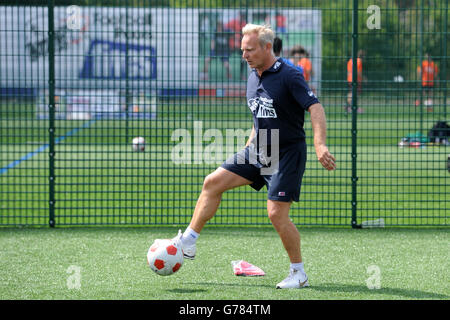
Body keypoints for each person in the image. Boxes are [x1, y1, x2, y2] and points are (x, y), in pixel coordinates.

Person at [173, 24, 336, 289]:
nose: (244, 55)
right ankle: (189, 241)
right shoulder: (253, 75)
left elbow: (315, 108)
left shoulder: (290, 75)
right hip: (260, 149)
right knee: (212, 182)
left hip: (286, 154)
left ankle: (299, 273)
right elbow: (258, 116)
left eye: (249, 50)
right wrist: (250, 147)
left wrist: (320, 145)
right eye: (242, 50)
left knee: (276, 214)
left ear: (266, 47)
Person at [224, 12, 248, 81]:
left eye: (242, 16)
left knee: (244, 59)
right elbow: (225, 27)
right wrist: (232, 33)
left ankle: (241, 75)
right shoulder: (234, 22)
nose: (241, 17)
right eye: (241, 16)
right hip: (232, 44)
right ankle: (228, 74)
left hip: (240, 46)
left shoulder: (244, 24)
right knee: (226, 57)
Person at [346, 49, 364, 114]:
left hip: (350, 79)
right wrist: (363, 79)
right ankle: (353, 107)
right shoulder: (359, 61)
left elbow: (348, 72)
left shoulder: (350, 61)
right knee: (355, 94)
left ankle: (349, 106)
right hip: (356, 80)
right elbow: (358, 72)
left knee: (351, 93)